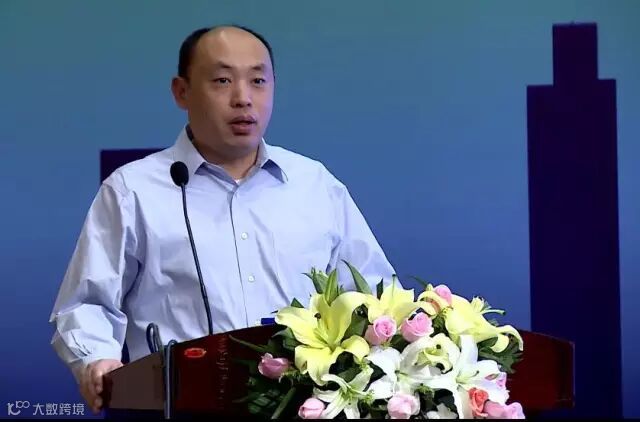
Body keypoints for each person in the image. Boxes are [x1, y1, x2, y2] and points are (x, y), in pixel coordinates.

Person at [49, 25, 396, 414]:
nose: (243, 98)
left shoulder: (315, 184)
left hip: (303, 405)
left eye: (258, 81)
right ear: (181, 92)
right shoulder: (133, 190)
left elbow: (374, 294)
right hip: (181, 407)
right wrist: (96, 359)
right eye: (222, 80)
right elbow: (87, 303)